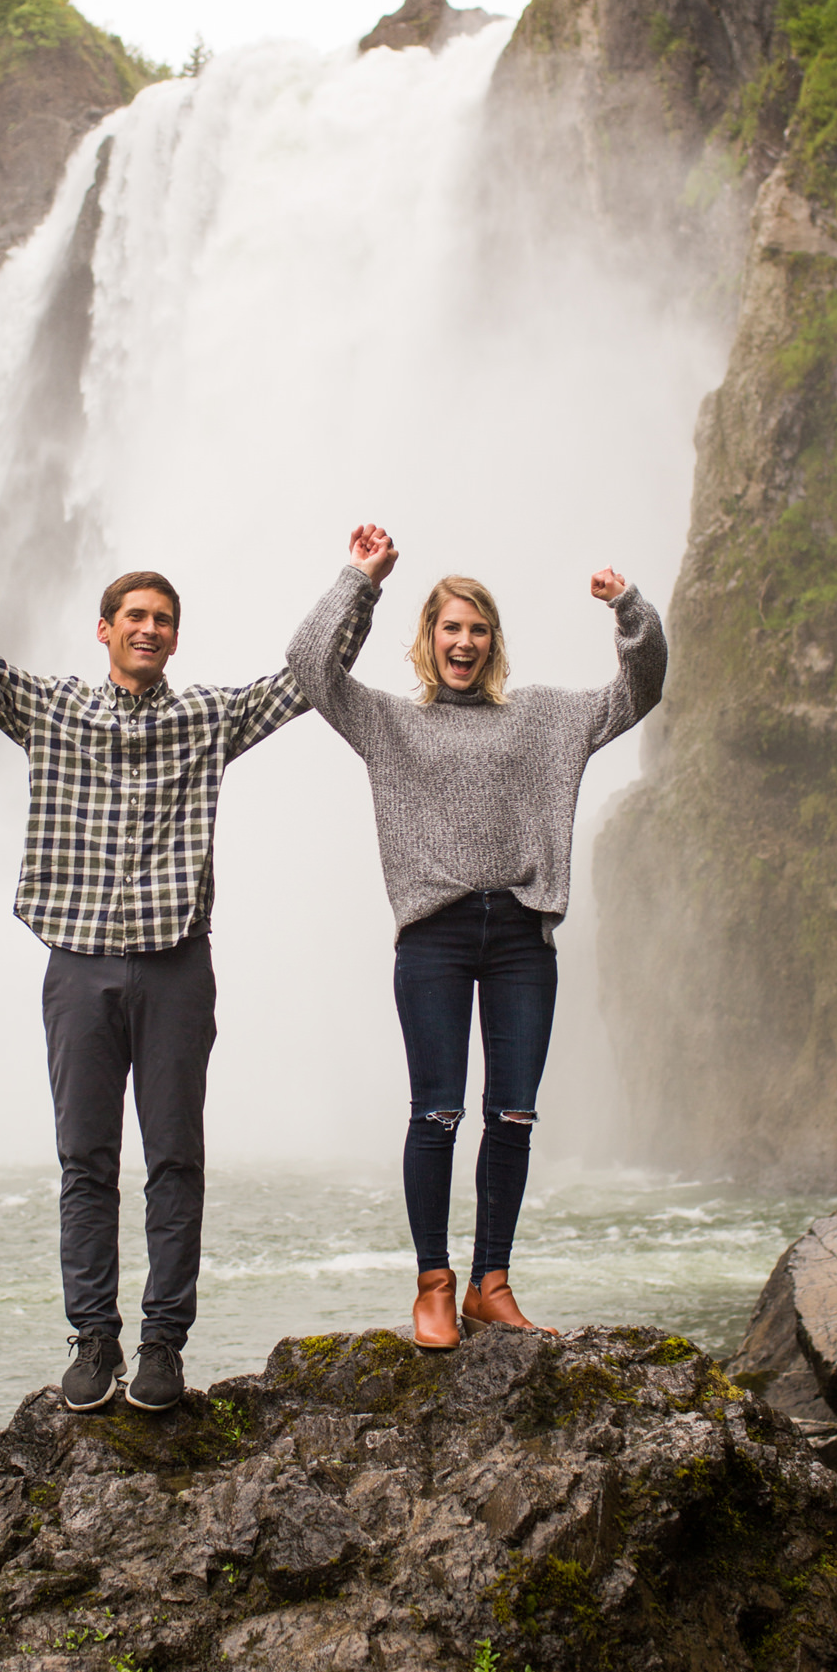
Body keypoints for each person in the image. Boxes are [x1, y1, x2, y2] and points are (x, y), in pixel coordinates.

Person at [0, 506, 373, 1411]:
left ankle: (162, 1347)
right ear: (105, 630)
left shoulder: (206, 720)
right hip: (77, 967)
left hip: (176, 969)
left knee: (176, 1160)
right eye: (135, 617)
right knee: (85, 1162)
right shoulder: (50, 707)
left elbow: (306, 680)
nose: (150, 630)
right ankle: (93, 1342)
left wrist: (358, 585)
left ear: (175, 639)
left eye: (164, 620)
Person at [287, 525, 667, 1350]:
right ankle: (434, 1284)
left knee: (515, 1115)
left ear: (494, 642)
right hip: (435, 936)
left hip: (523, 935)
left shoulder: (543, 718)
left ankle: (492, 1283)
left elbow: (640, 689)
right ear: (428, 639)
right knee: (436, 1113)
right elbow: (309, 665)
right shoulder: (388, 720)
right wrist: (360, 578)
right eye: (449, 627)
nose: (464, 641)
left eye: (478, 628)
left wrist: (628, 608)